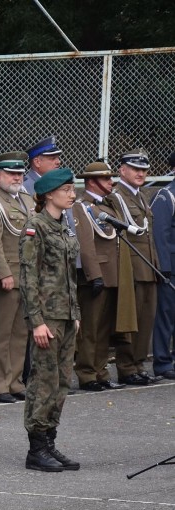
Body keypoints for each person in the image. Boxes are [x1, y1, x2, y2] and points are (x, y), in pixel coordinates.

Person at [19, 168, 81, 472]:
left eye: (72, 189)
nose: (72, 194)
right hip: (47, 317)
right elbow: (28, 277)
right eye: (67, 189)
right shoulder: (36, 227)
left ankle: (50, 442)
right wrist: (37, 321)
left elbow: (70, 275)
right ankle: (36, 448)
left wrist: (76, 314)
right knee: (43, 381)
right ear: (49, 194)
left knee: (61, 381)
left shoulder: (64, 226)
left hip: (66, 316)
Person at [0, 151, 35, 403]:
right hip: (5, 278)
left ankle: (15, 382)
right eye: (11, 173)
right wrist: (3, 273)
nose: (16, 177)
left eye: (20, 173)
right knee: (1, 334)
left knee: (21, 333)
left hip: (25, 276)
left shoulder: (27, 199)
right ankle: (0, 385)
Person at [72, 161, 129, 391]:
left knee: (104, 328)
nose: (111, 183)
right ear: (92, 182)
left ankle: (101, 371)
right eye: (106, 179)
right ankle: (87, 374)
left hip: (111, 273)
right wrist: (94, 275)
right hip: (95, 275)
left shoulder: (106, 205)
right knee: (90, 329)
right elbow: (85, 244)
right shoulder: (81, 206)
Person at [111, 149, 160, 386]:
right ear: (122, 170)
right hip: (132, 265)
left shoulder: (140, 195)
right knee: (131, 321)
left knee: (146, 318)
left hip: (148, 265)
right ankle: (127, 367)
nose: (141, 174)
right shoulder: (117, 196)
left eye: (144, 170)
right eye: (136, 169)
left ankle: (139, 364)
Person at [150, 151, 175, 381]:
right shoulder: (166, 196)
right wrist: (164, 268)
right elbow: (160, 233)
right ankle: (162, 361)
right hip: (171, 267)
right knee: (166, 314)